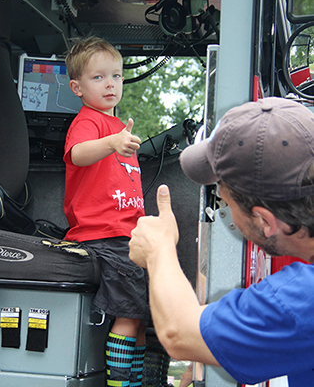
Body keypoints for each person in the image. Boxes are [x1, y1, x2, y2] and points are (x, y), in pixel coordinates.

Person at [129, 96, 314, 387]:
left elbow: (179, 332)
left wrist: (158, 249)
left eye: (225, 202)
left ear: (265, 221)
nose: (225, 211)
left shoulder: (301, 300)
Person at [64, 36, 149, 387]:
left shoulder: (117, 128)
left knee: (141, 318)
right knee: (128, 318)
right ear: (77, 87)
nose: (110, 83)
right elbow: (79, 153)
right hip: (105, 237)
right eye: (98, 78)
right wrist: (111, 143)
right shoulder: (89, 122)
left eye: (115, 76)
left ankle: (138, 381)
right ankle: (119, 384)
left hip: (128, 236)